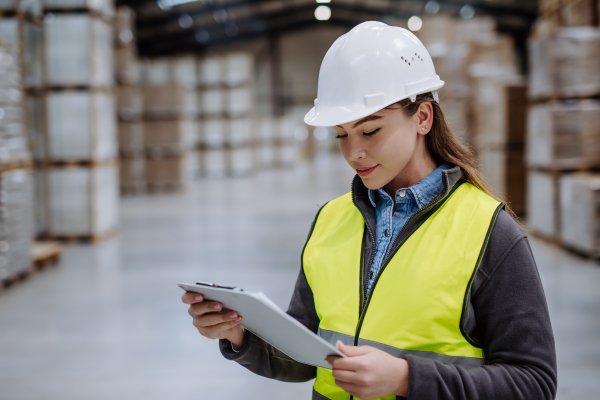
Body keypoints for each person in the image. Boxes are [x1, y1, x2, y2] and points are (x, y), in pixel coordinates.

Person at [182, 21, 557, 400]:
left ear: (423, 118)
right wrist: (239, 334)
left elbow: (534, 384)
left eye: (371, 130)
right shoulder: (330, 220)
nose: (353, 152)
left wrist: (407, 379)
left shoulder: (488, 232)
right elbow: (305, 355)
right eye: (341, 134)